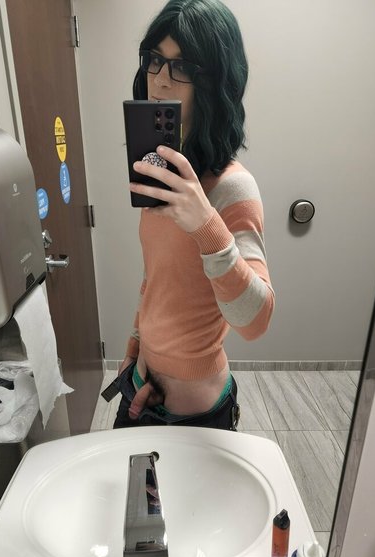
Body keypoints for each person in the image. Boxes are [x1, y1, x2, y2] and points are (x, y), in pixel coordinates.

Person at [112, 0, 275, 430]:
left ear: (215, 83)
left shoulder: (233, 188)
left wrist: (206, 226)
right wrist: (133, 347)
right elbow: (157, 276)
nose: (161, 80)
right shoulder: (162, 173)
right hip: (140, 383)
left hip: (198, 410)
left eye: (182, 66)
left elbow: (256, 321)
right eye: (154, 60)